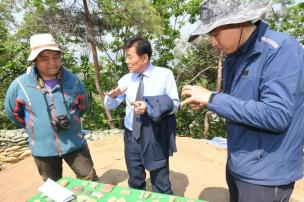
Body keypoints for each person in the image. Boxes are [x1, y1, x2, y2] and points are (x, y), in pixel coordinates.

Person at [181, 0, 304, 201]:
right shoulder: (234, 56)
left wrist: (213, 98)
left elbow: (276, 115)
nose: (213, 43)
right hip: (240, 162)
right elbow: (239, 103)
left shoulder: (281, 49)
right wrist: (210, 101)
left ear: (238, 22)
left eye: (215, 33)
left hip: (266, 174)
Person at [5, 33, 98, 182]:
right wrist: (32, 126)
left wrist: (73, 119)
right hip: (43, 149)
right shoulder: (20, 85)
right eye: (44, 58)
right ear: (34, 60)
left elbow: (82, 106)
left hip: (75, 143)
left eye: (56, 57)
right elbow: (12, 113)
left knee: (90, 180)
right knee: (53, 189)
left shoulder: (73, 82)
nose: (52, 63)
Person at [104, 36, 179, 194]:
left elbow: (175, 104)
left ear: (144, 57)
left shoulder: (164, 75)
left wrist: (149, 107)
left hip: (155, 135)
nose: (126, 61)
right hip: (132, 136)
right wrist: (111, 96)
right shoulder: (126, 79)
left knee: (160, 182)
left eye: (130, 57)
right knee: (135, 180)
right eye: (126, 57)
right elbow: (110, 106)